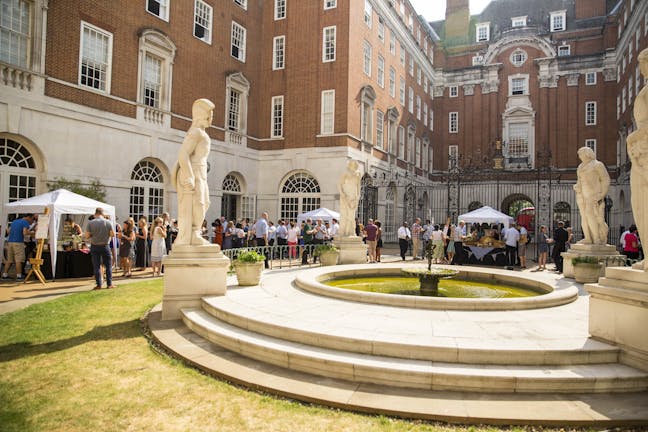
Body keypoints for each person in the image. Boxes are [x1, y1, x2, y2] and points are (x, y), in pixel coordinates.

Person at [172, 98, 215, 246]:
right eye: (209, 113)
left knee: (205, 202)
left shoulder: (202, 133)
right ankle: (193, 233)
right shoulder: (196, 132)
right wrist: (189, 175)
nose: (211, 117)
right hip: (195, 171)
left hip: (202, 172)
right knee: (199, 202)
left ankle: (196, 231)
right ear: (201, 114)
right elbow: (183, 154)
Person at [627, 48, 648, 270]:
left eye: (643, 63)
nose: (640, 68)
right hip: (639, 155)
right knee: (640, 206)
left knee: (643, 205)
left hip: (643, 153)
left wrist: (636, 135)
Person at [574, 146, 610, 245]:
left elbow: (605, 180)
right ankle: (588, 238)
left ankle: (597, 238)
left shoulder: (597, 165)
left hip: (594, 195)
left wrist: (602, 194)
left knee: (592, 216)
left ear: (587, 154)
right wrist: (577, 187)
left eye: (581, 154)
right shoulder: (580, 167)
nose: (580, 156)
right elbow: (579, 181)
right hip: (582, 196)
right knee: (584, 217)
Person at [85, 208, 115, 289]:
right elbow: (113, 234)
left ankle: (99, 285)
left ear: (95, 213)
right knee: (108, 266)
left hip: (95, 246)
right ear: (102, 213)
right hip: (105, 245)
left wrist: (93, 235)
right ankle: (109, 284)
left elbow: (87, 236)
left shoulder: (90, 223)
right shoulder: (108, 222)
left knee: (97, 266)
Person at [2, 214, 35, 280]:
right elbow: (25, 233)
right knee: (18, 260)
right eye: (32, 219)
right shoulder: (25, 222)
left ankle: (4, 275)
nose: (32, 221)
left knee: (9, 260)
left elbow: (8, 231)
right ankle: (19, 276)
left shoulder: (14, 221)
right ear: (29, 217)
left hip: (10, 242)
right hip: (18, 242)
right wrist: (32, 233)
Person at [338, 160, 361, 238]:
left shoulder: (358, 173)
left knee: (352, 214)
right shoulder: (345, 172)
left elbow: (358, 186)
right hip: (346, 193)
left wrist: (358, 195)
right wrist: (342, 193)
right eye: (352, 163)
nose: (353, 165)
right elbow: (340, 184)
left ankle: (351, 231)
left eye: (354, 164)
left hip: (353, 195)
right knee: (345, 213)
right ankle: (346, 231)